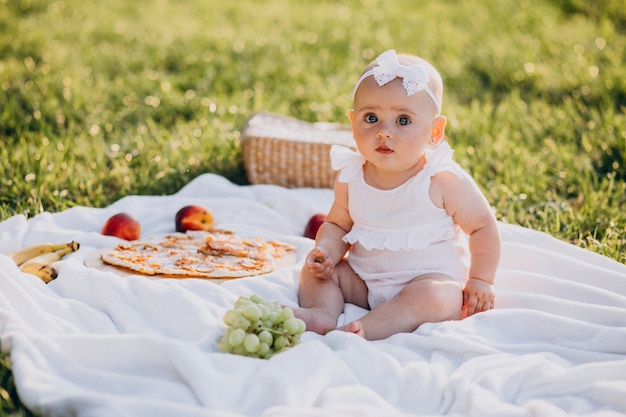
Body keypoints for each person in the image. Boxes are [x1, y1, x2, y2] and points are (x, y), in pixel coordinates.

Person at [295, 49, 501, 341]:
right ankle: (322, 314)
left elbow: (482, 226)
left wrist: (481, 279)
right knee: (314, 274)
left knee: (435, 298)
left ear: (435, 131)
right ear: (352, 122)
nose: (384, 132)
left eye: (403, 121)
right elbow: (338, 225)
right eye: (371, 118)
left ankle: (369, 328)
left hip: (425, 279)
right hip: (364, 281)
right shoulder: (351, 176)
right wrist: (326, 252)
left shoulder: (441, 178)